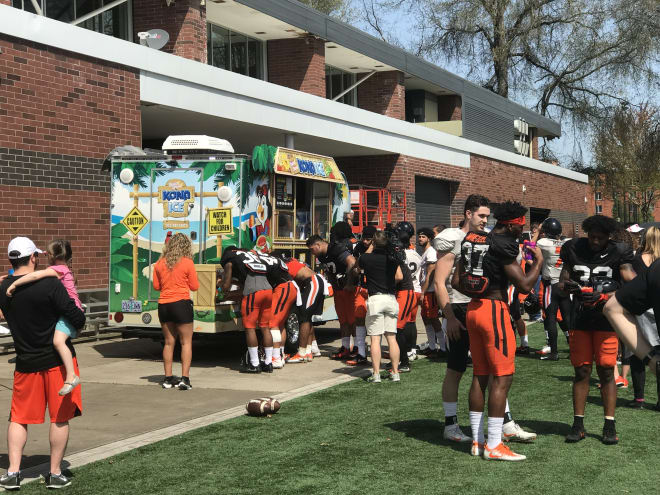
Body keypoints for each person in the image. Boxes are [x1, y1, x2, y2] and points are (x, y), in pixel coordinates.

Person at [453, 201, 542, 461]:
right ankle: (493, 443)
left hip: (473, 308)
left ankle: (478, 441)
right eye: (521, 225)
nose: (522, 230)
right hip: (494, 311)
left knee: (480, 375)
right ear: (512, 224)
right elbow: (524, 285)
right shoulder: (503, 244)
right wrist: (539, 262)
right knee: (502, 377)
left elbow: (456, 281)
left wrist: (479, 290)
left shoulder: (474, 238)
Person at [0, 237, 86, 489]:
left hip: (25, 362)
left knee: (18, 418)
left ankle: (13, 472)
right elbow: (76, 318)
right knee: (59, 417)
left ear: (11, 260)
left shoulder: (5, 288)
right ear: (34, 258)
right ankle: (55, 473)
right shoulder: (50, 283)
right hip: (57, 363)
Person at [558, 215, 635, 445]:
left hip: (605, 320)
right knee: (581, 371)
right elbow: (562, 283)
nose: (594, 241)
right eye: (591, 236)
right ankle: (578, 423)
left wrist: (605, 295)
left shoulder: (619, 252)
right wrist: (568, 286)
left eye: (599, 238)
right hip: (580, 319)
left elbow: (631, 284)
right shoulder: (573, 247)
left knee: (605, 370)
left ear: (608, 237)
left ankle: (609, 424)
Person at [433, 194, 490, 443]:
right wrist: (450, 318)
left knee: (493, 367)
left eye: (487, 216)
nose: (485, 220)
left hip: (481, 307)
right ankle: (450, 424)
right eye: (481, 215)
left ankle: (505, 422)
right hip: (457, 308)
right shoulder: (452, 238)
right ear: (468, 213)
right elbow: (439, 282)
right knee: (455, 368)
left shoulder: (486, 238)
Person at [6, 240, 82, 395]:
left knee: (58, 341)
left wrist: (14, 283)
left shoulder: (57, 269)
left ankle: (71, 375)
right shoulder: (63, 269)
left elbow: (35, 276)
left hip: (73, 310)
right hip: (70, 309)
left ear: (52, 256)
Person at [605, 227, 660, 411]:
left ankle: (639, 397)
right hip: (643, 306)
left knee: (641, 354)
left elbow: (613, 308)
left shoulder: (646, 262)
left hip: (640, 307)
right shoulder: (652, 264)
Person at [153, 233, 199, 390]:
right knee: (186, 342)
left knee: (168, 342)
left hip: (164, 305)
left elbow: (156, 287)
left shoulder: (159, 263)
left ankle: (167, 378)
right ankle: (184, 379)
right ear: (186, 246)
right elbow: (194, 286)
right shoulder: (187, 263)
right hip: (181, 304)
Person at [355, 231, 403, 382]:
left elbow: (357, 267)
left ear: (373, 243)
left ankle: (376, 374)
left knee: (375, 339)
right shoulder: (392, 259)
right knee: (392, 338)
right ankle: (395, 372)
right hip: (390, 298)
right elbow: (399, 277)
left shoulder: (366, 258)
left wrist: (370, 247)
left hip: (375, 298)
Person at [220, 246, 273, 373]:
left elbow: (226, 285)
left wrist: (220, 286)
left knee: (250, 328)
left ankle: (254, 364)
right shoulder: (250, 255)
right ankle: (268, 363)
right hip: (268, 290)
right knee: (265, 327)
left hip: (254, 291)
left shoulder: (229, 257)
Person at [307, 225, 357, 360]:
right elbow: (329, 269)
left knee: (353, 320)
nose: (312, 253)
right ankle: (346, 347)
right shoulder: (323, 256)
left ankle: (358, 347)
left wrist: (349, 282)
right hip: (339, 290)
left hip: (348, 289)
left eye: (312, 250)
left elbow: (352, 262)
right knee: (343, 320)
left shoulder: (335, 249)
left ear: (318, 244)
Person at [284, 256, 331, 363]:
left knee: (304, 318)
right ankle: (309, 351)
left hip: (312, 282)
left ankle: (301, 353)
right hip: (315, 281)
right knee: (307, 318)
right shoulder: (293, 261)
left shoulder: (284, 265)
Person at [537, 218, 571, 361]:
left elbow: (531, 245)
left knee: (550, 318)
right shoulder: (566, 242)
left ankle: (554, 352)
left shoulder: (543, 243)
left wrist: (538, 231)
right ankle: (575, 348)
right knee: (568, 318)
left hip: (551, 285)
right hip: (565, 284)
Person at [259, 251, 298, 369]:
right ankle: (280, 354)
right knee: (280, 324)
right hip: (289, 287)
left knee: (273, 323)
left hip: (283, 288)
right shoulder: (275, 261)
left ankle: (275, 358)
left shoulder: (264, 260)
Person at [346, 225, 377, 366]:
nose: (365, 242)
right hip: (361, 287)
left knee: (375, 322)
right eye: (364, 238)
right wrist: (352, 279)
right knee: (359, 318)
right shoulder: (358, 248)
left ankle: (376, 352)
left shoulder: (380, 247)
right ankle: (361, 353)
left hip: (376, 289)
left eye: (368, 239)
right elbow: (354, 269)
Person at [418, 227, 444, 356]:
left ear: (429, 238)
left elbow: (430, 274)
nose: (420, 239)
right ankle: (432, 346)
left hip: (430, 291)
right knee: (425, 318)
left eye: (423, 236)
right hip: (426, 290)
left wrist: (423, 291)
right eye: (419, 236)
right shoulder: (425, 252)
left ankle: (443, 348)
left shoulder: (431, 252)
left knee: (433, 319)